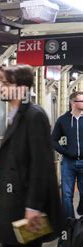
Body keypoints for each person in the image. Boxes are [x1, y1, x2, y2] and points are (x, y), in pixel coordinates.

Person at [0, 64, 63, 247]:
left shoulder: (34, 116)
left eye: (5, 83)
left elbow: (41, 165)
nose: (0, 87)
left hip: (28, 205)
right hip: (15, 203)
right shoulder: (16, 116)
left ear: (21, 89)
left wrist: (33, 207)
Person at [51, 91, 83, 219]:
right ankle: (69, 224)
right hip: (68, 163)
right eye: (81, 101)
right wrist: (65, 152)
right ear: (72, 103)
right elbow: (53, 140)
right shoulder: (63, 120)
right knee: (67, 195)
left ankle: (81, 211)